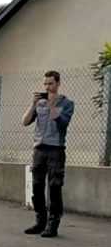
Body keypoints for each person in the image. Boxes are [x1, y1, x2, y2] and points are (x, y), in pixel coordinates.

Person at [22, 70, 75, 238]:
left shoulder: (67, 103)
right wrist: (32, 105)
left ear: (58, 84)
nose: (47, 87)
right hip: (39, 148)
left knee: (54, 186)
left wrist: (52, 106)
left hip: (56, 149)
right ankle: (40, 221)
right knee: (37, 187)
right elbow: (24, 122)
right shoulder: (39, 104)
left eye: (50, 84)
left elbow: (62, 124)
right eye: (45, 84)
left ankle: (53, 224)